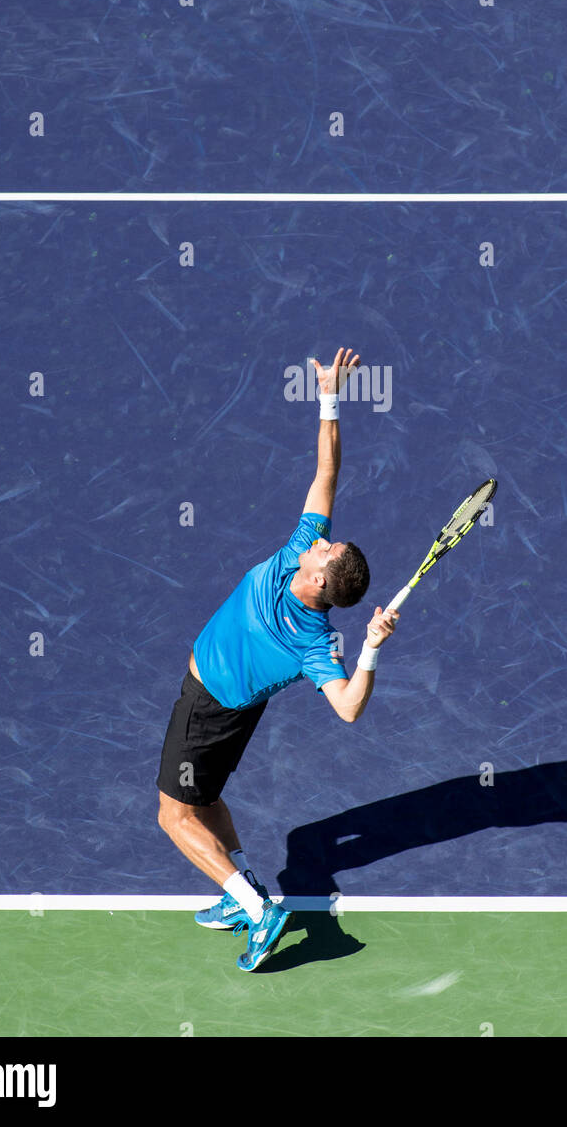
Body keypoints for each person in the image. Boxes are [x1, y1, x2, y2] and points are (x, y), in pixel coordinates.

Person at [156, 347, 399, 971]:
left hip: (208, 710)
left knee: (174, 817)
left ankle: (257, 910)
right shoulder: (298, 550)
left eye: (326, 548)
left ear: (320, 581)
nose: (320, 539)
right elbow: (327, 474)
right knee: (205, 802)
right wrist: (329, 396)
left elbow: (346, 709)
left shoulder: (313, 640)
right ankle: (244, 894)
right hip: (232, 713)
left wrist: (370, 649)